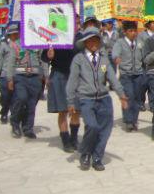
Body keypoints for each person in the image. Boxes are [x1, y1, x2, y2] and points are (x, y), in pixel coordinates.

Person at [67, 27, 128, 171]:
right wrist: (70, 101)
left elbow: (113, 78)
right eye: (90, 40)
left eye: (96, 39)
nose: (93, 42)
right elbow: (72, 81)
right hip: (86, 99)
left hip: (104, 99)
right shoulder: (79, 59)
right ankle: (85, 153)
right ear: (85, 43)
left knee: (105, 130)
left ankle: (97, 157)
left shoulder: (104, 59)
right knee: (92, 126)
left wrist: (122, 95)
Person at [3, 30, 47, 139]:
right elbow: (11, 62)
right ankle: (15, 123)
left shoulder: (38, 43)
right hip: (20, 76)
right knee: (21, 98)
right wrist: (9, 79)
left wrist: (46, 75)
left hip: (35, 76)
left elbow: (43, 60)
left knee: (32, 104)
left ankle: (28, 128)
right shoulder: (17, 44)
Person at [112, 21, 147, 132]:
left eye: (134, 31)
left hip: (138, 74)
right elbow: (115, 53)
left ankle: (134, 120)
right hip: (125, 74)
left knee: (137, 97)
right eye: (130, 31)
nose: (133, 33)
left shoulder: (140, 42)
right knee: (128, 96)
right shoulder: (120, 42)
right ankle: (128, 121)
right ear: (125, 32)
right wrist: (116, 58)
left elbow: (144, 56)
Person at [42, 43, 78, 153]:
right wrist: (49, 56)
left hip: (76, 75)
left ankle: (74, 138)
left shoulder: (78, 38)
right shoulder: (54, 40)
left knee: (76, 110)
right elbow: (44, 57)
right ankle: (65, 139)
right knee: (62, 110)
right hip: (58, 74)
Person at [0, 23, 17, 124]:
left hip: (17, 75)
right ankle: (4, 112)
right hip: (4, 76)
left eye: (16, 33)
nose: (14, 35)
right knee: (5, 97)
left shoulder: (21, 46)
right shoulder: (4, 46)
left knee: (16, 98)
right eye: (12, 34)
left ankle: (14, 115)